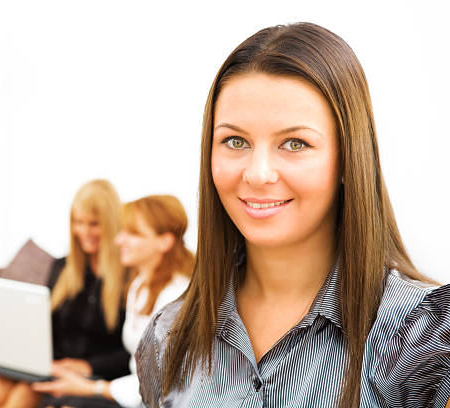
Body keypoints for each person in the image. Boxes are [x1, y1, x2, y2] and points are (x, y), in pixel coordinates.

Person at [135, 22, 450, 408]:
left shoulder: (424, 335)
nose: (257, 173)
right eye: (236, 141)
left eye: (295, 143)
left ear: (349, 159)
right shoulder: (167, 339)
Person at [0, 179, 130, 408]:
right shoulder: (63, 268)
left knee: (23, 396)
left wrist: (88, 367)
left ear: (111, 224)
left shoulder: (129, 278)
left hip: (97, 374)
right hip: (55, 366)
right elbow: (46, 329)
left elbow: (134, 352)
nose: (83, 231)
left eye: (94, 223)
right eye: (78, 222)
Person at [32, 194, 193, 407]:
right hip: (133, 391)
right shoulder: (140, 285)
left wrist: (92, 387)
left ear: (165, 242)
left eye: (133, 234)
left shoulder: (177, 297)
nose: (118, 240)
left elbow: (162, 385)